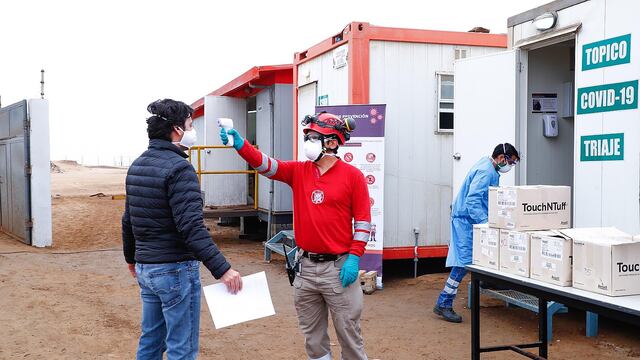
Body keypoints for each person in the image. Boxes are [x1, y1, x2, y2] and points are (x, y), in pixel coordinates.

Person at [220, 112, 371, 360]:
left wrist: (354, 257)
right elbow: (266, 165)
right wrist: (241, 145)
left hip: (339, 268)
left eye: (315, 137)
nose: (309, 142)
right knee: (313, 339)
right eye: (308, 136)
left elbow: (364, 223)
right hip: (306, 269)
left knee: (349, 335)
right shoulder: (298, 171)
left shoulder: (353, 177)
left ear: (332, 142)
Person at [122, 99, 243, 360]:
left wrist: (132, 258)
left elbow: (127, 220)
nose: (192, 130)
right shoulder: (180, 169)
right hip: (174, 269)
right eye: (190, 125)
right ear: (177, 130)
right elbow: (191, 228)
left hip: (147, 268)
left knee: (151, 341)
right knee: (182, 348)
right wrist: (223, 269)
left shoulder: (137, 165)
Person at [433, 143, 520, 323]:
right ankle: (444, 303)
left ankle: (485, 281)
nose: (510, 166)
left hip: (468, 219)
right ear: (502, 158)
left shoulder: (488, 166)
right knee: (463, 262)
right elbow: (473, 200)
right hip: (466, 220)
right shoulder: (486, 172)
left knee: (480, 255)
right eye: (510, 162)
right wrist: (485, 223)